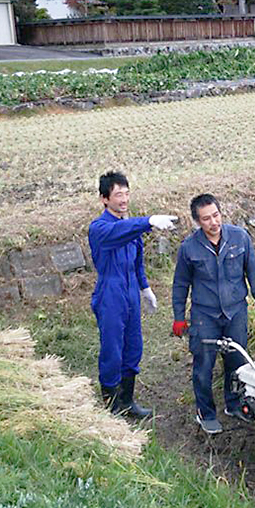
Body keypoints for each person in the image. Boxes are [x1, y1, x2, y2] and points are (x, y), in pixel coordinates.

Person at [172, 194, 255, 435]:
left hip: (236, 310)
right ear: (197, 221)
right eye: (206, 219)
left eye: (216, 215)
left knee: (236, 363)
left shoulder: (239, 237)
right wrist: (178, 317)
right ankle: (205, 413)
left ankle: (233, 404)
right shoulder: (189, 248)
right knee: (203, 366)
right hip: (205, 315)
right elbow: (180, 284)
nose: (213, 222)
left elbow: (253, 273)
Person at [89, 171, 177, 418]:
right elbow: (121, 232)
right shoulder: (100, 228)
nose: (124, 199)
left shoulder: (131, 227)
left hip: (130, 293)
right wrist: (148, 221)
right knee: (112, 349)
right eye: (118, 194)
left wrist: (145, 288)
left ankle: (128, 400)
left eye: (127, 193)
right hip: (110, 293)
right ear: (104, 199)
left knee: (133, 346)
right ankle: (111, 405)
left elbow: (137, 261)